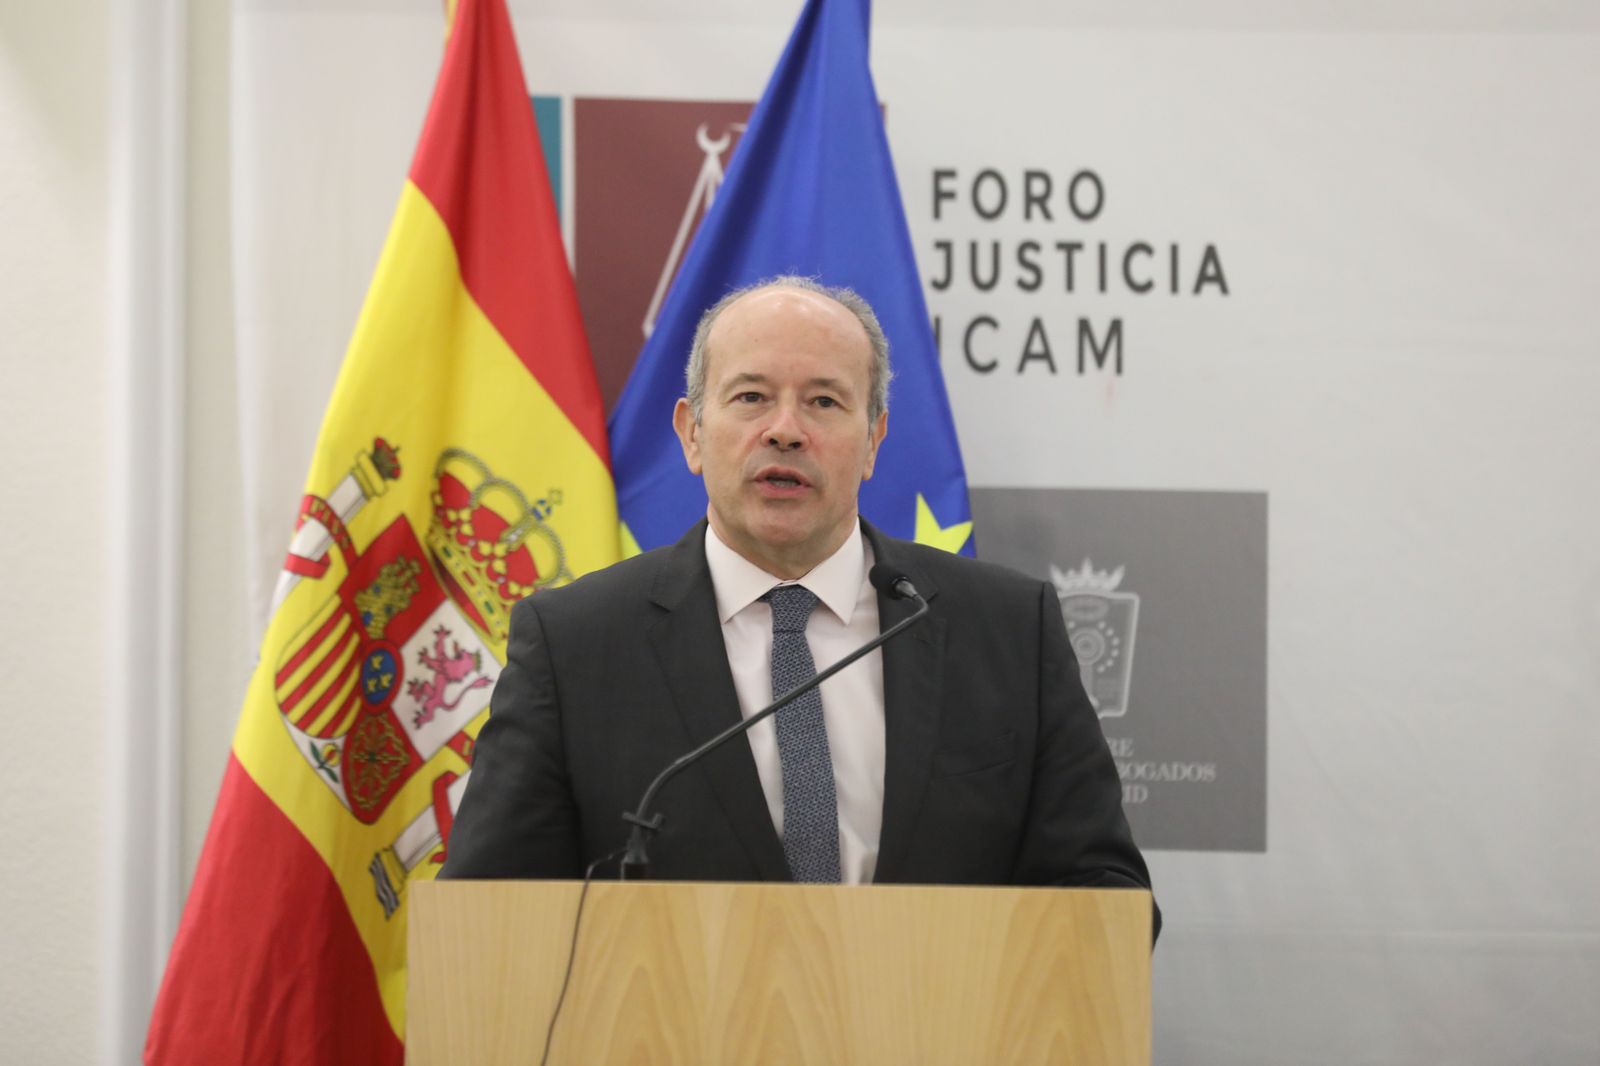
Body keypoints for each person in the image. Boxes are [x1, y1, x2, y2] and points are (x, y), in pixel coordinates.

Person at [441, 278, 1155, 923]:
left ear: (873, 440)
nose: (785, 429)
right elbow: (490, 914)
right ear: (692, 433)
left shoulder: (1004, 630)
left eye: (823, 401)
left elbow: (1103, 898)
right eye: (751, 397)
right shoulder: (575, 646)